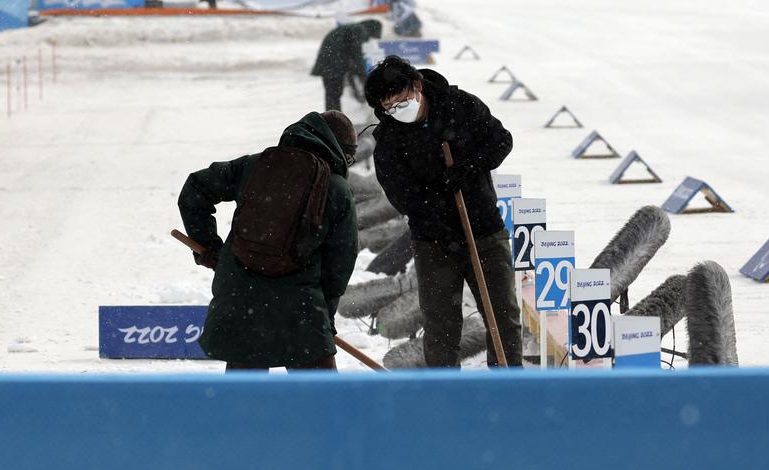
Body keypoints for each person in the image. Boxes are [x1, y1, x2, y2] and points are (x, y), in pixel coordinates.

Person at [363, 55, 522, 367]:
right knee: (440, 326)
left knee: (502, 316)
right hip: (434, 241)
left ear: (418, 86)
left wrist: (468, 167)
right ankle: (444, 394)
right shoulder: (389, 140)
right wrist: (438, 203)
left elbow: (501, 141)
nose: (398, 110)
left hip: (484, 229)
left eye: (403, 99)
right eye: (389, 107)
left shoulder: (460, 106)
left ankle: (509, 386)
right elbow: (402, 197)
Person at [178, 111, 359, 371]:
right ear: (339, 150)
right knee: (321, 404)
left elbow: (196, 188)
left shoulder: (255, 165)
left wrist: (208, 246)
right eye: (349, 156)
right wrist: (325, 317)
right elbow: (340, 264)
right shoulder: (337, 189)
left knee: (244, 403)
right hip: (301, 310)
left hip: (241, 298)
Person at [310, 20, 383, 112]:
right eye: (372, 36)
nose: (369, 39)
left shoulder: (353, 28)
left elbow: (353, 55)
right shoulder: (359, 29)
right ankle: (333, 119)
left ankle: (332, 117)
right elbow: (356, 54)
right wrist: (363, 75)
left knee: (332, 94)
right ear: (372, 29)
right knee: (334, 93)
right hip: (333, 63)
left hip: (329, 61)